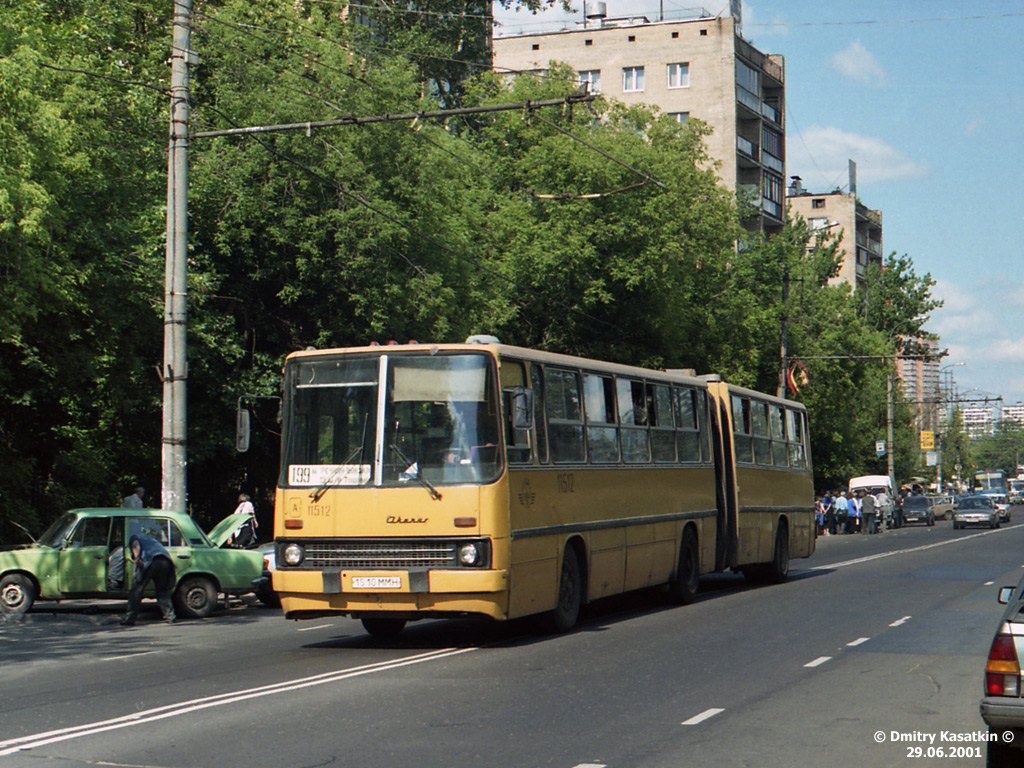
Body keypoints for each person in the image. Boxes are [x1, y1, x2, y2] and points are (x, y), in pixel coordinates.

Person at [121, 534, 176, 625]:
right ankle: (170, 616)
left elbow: (136, 544)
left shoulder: (134, 537)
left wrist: (137, 558)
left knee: (137, 590)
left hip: (151, 561)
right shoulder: (151, 540)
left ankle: (130, 618)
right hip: (165, 561)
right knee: (162, 589)